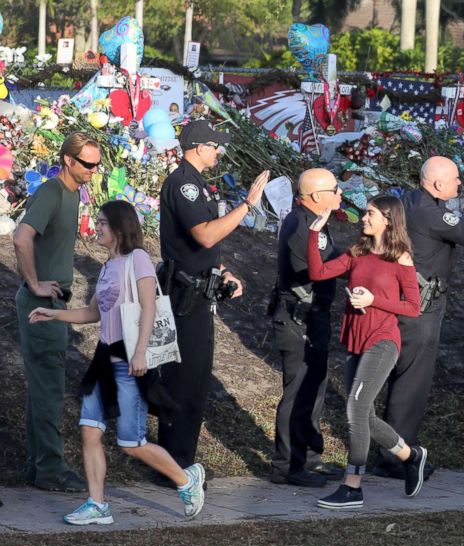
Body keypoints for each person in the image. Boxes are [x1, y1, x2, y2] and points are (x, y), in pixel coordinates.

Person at [29, 201, 205, 525]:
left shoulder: (138, 260)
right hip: (103, 361)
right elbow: (92, 313)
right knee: (89, 430)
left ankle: (186, 480)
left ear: (121, 228)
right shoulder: (108, 266)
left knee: (131, 442)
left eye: (103, 223)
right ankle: (97, 505)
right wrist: (53, 314)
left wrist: (139, 353)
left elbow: (149, 308)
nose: (97, 226)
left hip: (129, 362)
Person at [155, 120, 270, 484]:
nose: (218, 151)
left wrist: (222, 271)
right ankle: (171, 465)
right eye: (214, 145)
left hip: (199, 290)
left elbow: (202, 248)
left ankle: (179, 461)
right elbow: (204, 236)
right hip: (184, 296)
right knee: (183, 381)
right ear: (198, 147)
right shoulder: (184, 184)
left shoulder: (196, 183)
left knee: (195, 380)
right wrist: (248, 205)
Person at [373, 156, 464, 479]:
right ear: (438, 184)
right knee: (412, 380)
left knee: (399, 375)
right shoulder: (430, 212)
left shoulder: (408, 201)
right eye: (455, 179)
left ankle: (390, 448)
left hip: (402, 299)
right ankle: (397, 456)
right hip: (421, 307)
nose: (459, 184)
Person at [307, 195, 427, 508]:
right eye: (365, 213)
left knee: (355, 410)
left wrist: (373, 299)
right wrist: (314, 233)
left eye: (371, 214)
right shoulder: (357, 252)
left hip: (383, 340)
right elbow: (318, 273)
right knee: (365, 414)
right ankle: (411, 456)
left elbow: (413, 308)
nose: (364, 218)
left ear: (389, 219)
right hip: (355, 340)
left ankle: (353, 486)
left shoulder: (400, 257)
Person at [13, 132, 101, 492]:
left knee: (43, 389)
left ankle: (40, 467)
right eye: (87, 164)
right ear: (68, 160)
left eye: (97, 164)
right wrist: (35, 285)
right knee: (49, 389)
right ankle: (50, 468)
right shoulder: (52, 191)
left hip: (53, 303)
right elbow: (21, 237)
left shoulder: (72, 192)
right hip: (43, 305)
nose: (93, 171)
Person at [269, 169, 346, 487]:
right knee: (298, 390)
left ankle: (309, 457)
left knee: (313, 389)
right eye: (335, 188)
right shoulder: (302, 226)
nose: (341, 193)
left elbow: (332, 258)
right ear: (316, 196)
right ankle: (287, 463)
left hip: (313, 317)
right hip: (298, 317)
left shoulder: (314, 219)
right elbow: (318, 269)